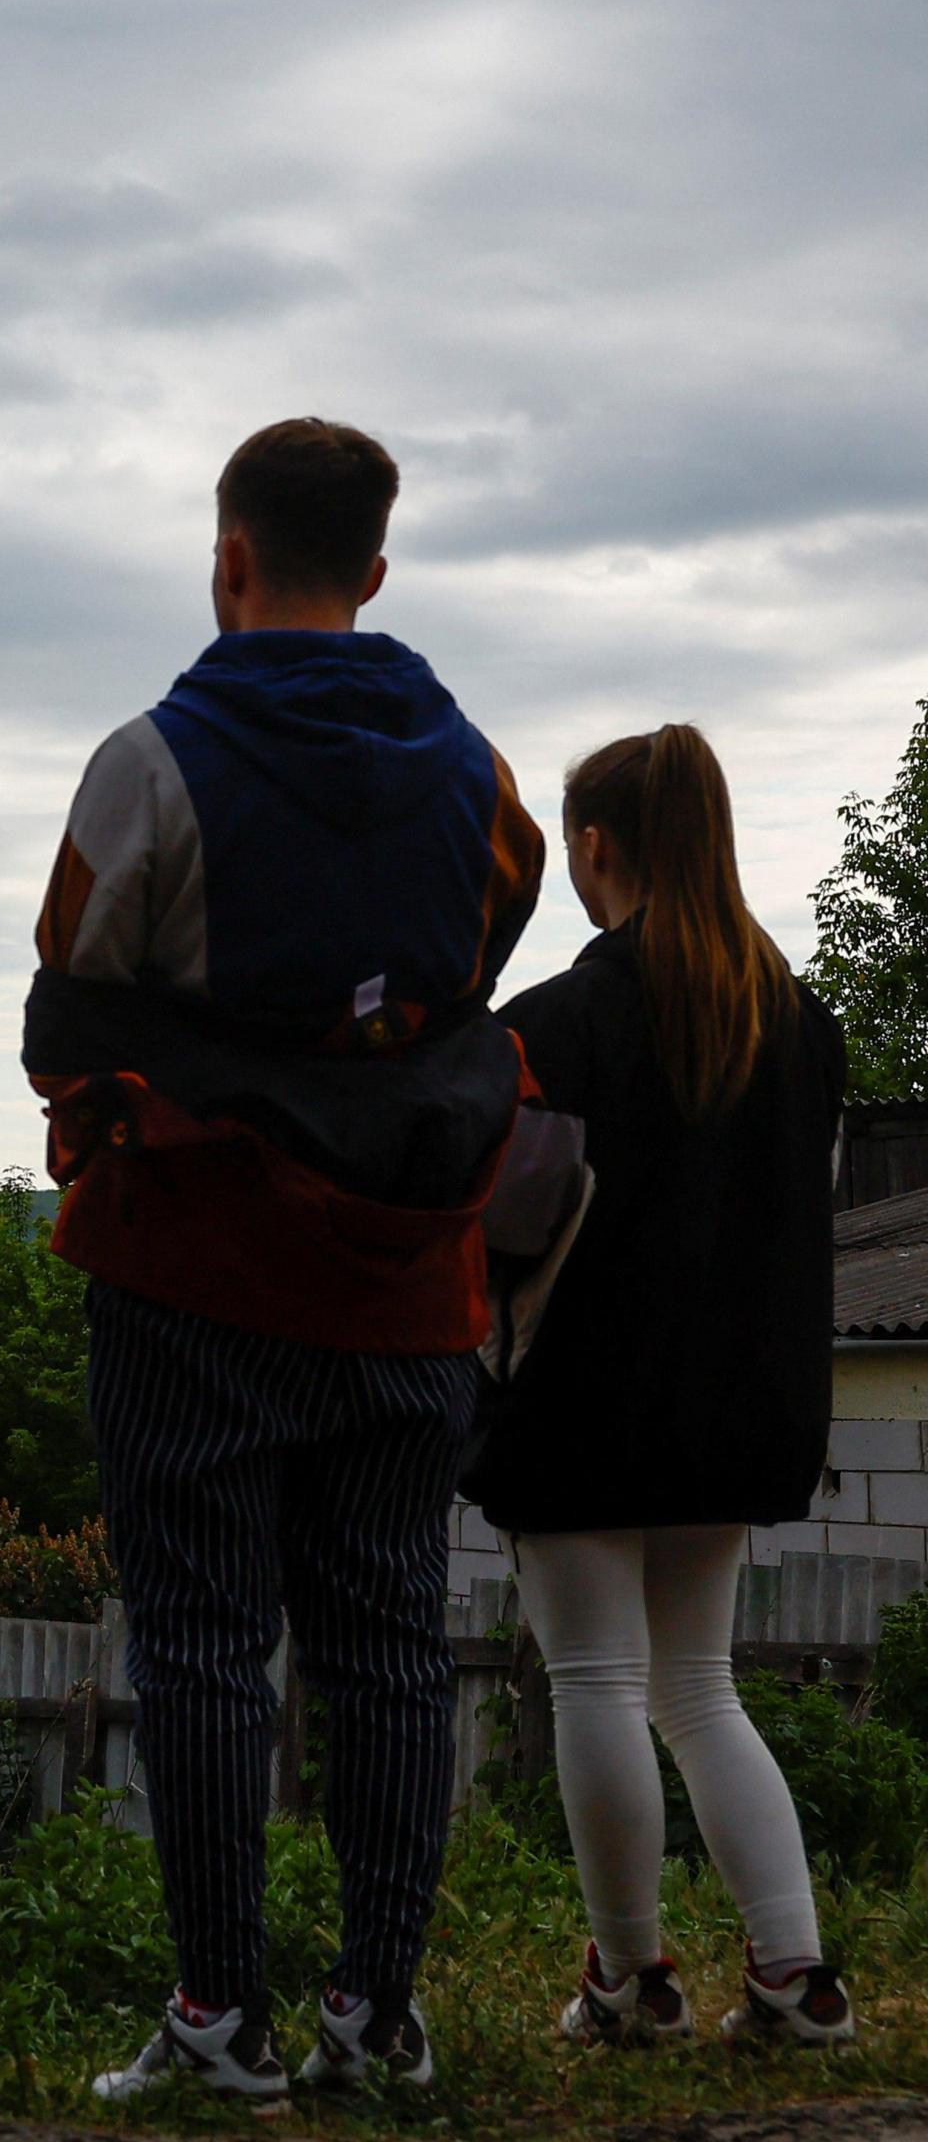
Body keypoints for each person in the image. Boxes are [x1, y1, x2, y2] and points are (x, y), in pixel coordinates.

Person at [24, 418, 541, 2101]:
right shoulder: (478, 770)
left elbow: (71, 987)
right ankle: (377, 2017)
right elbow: (483, 945)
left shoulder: (149, 760)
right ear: (377, 569)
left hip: (197, 1270)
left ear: (228, 555)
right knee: (393, 1637)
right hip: (406, 1276)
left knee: (201, 1642)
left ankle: (219, 2019)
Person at [463, 727, 855, 2050]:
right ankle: (797, 1976)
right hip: (743, 1410)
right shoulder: (798, 1026)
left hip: (580, 1405)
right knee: (700, 1687)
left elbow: (507, 1233)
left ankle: (632, 1982)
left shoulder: (555, 1029)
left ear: (596, 849)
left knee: (592, 1680)